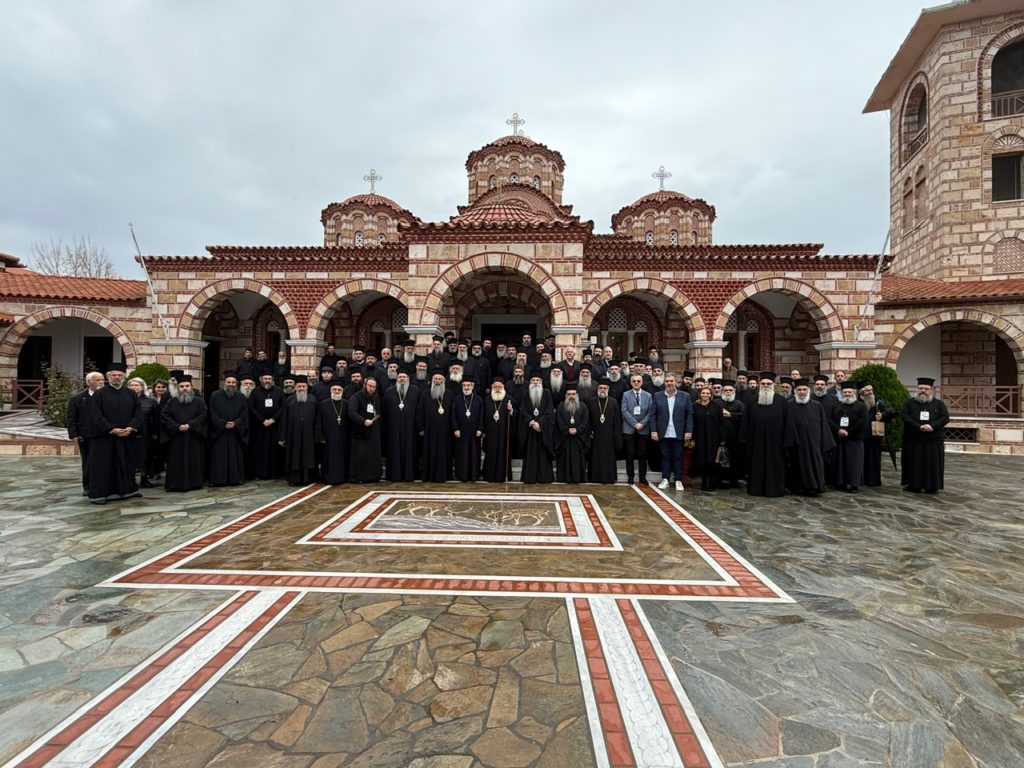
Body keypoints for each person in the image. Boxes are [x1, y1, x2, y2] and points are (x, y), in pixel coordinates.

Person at [83, 362, 143, 505]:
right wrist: (112, 429)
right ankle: (101, 494)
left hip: (126, 437)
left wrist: (131, 427)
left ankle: (129, 490)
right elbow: (95, 416)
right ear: (108, 377)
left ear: (124, 377)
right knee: (104, 466)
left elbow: (138, 413)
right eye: (114, 375)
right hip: (105, 438)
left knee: (126, 464)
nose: (117, 377)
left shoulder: (131, 394)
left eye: (120, 375)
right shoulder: (99, 394)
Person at [740, 372, 790, 498]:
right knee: (756, 465)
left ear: (773, 385)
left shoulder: (782, 402)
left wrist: (787, 441)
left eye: (768, 384)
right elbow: (746, 422)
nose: (766, 386)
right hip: (755, 441)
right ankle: (756, 489)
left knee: (775, 466)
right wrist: (744, 439)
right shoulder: (752, 401)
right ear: (759, 385)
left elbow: (788, 423)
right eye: (763, 384)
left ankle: (775, 490)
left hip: (776, 442)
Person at [786, 379, 834, 497]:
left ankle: (814, 487)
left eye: (804, 389)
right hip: (795, 443)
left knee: (814, 465)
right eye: (799, 390)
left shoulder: (817, 406)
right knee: (796, 465)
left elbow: (824, 426)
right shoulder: (789, 405)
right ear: (795, 391)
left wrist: (824, 443)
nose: (802, 392)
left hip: (813, 444)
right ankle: (797, 487)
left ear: (808, 390)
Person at [900, 377, 949, 493]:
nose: (923, 391)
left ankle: (932, 487)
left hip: (932, 440)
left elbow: (945, 418)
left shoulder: (939, 404)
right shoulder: (909, 403)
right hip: (914, 439)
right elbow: (904, 416)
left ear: (931, 390)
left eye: (926, 389)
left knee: (932, 464)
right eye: (920, 388)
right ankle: (913, 485)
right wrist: (918, 426)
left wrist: (932, 426)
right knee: (914, 463)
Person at [161, 375, 207, 492]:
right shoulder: (171, 402)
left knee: (194, 460)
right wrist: (177, 426)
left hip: (193, 437)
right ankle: (175, 484)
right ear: (178, 388)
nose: (185, 388)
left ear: (191, 387)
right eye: (182, 386)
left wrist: (190, 425)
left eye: (187, 386)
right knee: (176, 461)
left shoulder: (199, 402)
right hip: (177, 437)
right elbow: (165, 416)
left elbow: (203, 415)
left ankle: (195, 483)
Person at [652, 373, 693, 492]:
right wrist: (654, 430)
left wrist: (688, 431)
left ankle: (678, 479)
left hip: (679, 431)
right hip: (663, 431)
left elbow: (689, 414)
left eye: (671, 381)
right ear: (664, 383)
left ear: (676, 382)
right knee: (665, 456)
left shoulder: (685, 396)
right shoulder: (658, 396)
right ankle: (665, 479)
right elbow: (653, 414)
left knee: (678, 456)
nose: (669, 383)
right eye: (667, 381)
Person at [278, 375, 322, 486]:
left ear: (307, 387)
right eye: (299, 386)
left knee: (309, 456)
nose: (301, 388)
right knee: (294, 456)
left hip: (309, 435)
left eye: (303, 386)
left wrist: (317, 434)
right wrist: (283, 436)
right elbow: (284, 419)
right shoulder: (289, 400)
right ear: (295, 387)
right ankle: (294, 479)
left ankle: (308, 478)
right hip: (293, 435)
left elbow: (318, 418)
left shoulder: (313, 399)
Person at [207, 371, 248, 487]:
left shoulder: (241, 397)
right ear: (224, 382)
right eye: (228, 382)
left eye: (233, 382)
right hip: (220, 433)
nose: (231, 384)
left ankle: (236, 479)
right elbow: (212, 412)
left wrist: (236, 423)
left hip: (235, 432)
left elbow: (244, 414)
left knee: (235, 457)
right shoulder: (215, 395)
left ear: (237, 383)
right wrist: (222, 423)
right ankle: (217, 480)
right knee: (219, 457)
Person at [67, 371, 104, 495]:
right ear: (89, 382)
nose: (101, 382)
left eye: (102, 380)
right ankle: (88, 486)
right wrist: (74, 434)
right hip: (86, 435)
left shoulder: (107, 397)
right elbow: (71, 418)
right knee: (88, 462)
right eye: (97, 380)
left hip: (104, 434)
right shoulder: (77, 399)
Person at [829, 380, 868, 492]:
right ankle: (839, 483)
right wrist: (838, 430)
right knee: (839, 462)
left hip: (854, 439)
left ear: (854, 392)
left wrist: (849, 432)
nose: (847, 394)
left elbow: (862, 422)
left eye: (849, 392)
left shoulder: (861, 406)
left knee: (854, 463)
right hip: (839, 438)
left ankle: (853, 484)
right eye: (845, 392)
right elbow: (830, 420)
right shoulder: (836, 406)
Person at [383, 370, 421, 481]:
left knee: (410, 451)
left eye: (404, 377)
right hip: (393, 428)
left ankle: (410, 474)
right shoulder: (389, 391)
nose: (402, 379)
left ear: (408, 379)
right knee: (394, 450)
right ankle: (394, 475)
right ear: (397, 379)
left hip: (410, 428)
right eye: (400, 377)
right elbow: (385, 411)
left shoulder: (415, 391)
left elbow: (419, 410)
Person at [519, 374, 555, 483]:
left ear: (541, 382)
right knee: (531, 453)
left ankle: (543, 478)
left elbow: (549, 410)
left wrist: (540, 423)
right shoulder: (526, 393)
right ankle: (530, 477)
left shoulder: (547, 393)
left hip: (543, 430)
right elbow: (523, 411)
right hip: (530, 430)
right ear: (530, 382)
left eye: (537, 380)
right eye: (533, 380)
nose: (535, 382)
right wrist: (532, 422)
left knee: (543, 454)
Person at [248, 374, 285, 480]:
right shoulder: (255, 392)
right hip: (259, 427)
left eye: (269, 379)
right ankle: (260, 473)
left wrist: (273, 419)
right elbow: (251, 407)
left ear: (273, 380)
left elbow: (283, 406)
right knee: (260, 451)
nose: (267, 381)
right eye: (265, 379)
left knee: (274, 450)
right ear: (261, 379)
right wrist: (262, 420)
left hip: (275, 426)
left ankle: (275, 473)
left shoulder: (278, 391)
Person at [621, 373, 655, 485]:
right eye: (634, 381)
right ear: (631, 383)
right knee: (630, 454)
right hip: (629, 429)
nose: (636, 383)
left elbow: (650, 412)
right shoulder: (626, 395)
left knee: (642, 454)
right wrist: (635, 424)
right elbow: (624, 411)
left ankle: (642, 477)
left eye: (638, 381)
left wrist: (642, 423)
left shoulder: (648, 396)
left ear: (642, 382)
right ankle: (630, 477)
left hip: (643, 429)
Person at [347, 376, 383, 482]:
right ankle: (360, 477)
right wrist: (363, 421)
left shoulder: (376, 397)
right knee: (361, 455)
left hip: (374, 430)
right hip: (361, 431)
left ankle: (374, 476)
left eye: (374, 387)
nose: (371, 388)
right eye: (370, 386)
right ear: (365, 385)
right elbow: (352, 412)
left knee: (373, 454)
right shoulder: (356, 397)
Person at [587, 378, 623, 484]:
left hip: (609, 435)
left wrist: (617, 437)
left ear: (608, 389)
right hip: (596, 435)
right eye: (600, 388)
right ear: (597, 389)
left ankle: (609, 477)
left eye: (604, 388)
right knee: (595, 457)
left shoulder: (613, 402)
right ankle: (595, 477)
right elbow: (588, 420)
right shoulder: (592, 401)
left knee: (608, 457)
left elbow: (617, 421)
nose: (602, 390)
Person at [861, 382, 896, 487]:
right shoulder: (858, 402)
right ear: (861, 392)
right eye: (867, 390)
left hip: (874, 436)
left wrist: (882, 415)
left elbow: (891, 412)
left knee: (874, 459)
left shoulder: (878, 403)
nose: (870, 392)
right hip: (860, 436)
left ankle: (873, 480)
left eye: (871, 390)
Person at [420, 372, 454, 482]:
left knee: (444, 453)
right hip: (429, 430)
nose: (437, 381)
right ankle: (429, 475)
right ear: (432, 380)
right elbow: (419, 412)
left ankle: (445, 475)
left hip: (446, 431)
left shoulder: (449, 394)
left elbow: (453, 413)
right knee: (430, 452)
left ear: (443, 381)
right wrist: (421, 428)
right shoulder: (425, 394)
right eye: (435, 379)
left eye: (440, 379)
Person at [688, 386, 722, 492]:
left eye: (708, 393)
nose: (705, 395)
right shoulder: (695, 406)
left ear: (711, 395)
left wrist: (722, 438)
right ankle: (703, 482)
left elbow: (721, 422)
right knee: (701, 460)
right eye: (703, 393)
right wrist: (692, 437)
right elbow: (691, 423)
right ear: (700, 394)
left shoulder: (716, 406)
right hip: (700, 437)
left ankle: (711, 482)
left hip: (714, 438)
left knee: (711, 461)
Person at [555, 384, 590, 483]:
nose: (571, 396)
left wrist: (577, 430)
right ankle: (564, 478)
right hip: (565, 439)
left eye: (573, 394)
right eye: (569, 394)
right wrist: (566, 430)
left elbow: (586, 421)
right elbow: (559, 421)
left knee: (578, 460)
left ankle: (578, 478)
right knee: (564, 459)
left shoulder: (583, 406)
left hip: (579, 439)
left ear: (577, 395)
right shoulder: (561, 406)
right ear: (566, 395)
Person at [452, 378, 484, 482]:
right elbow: (453, 416)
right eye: (464, 385)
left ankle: (474, 475)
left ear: (472, 386)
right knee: (462, 454)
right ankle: (462, 475)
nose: (466, 387)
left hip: (475, 432)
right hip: (461, 432)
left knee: (474, 454)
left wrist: (480, 428)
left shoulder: (479, 399)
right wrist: (456, 428)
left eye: (468, 385)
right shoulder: (457, 399)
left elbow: (482, 416)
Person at [127, 377, 157, 488]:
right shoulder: (125, 400)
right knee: (130, 457)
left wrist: (155, 432)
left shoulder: (151, 401)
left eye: (137, 385)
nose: (134, 387)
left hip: (146, 433)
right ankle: (130, 480)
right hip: (128, 433)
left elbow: (156, 418)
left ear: (142, 386)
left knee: (145, 457)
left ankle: (144, 479)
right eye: (131, 385)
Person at [317, 382, 348, 484]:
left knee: (342, 458)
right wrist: (320, 436)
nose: (336, 391)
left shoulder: (346, 404)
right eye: (334, 389)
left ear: (342, 391)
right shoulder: (324, 404)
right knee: (327, 458)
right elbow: (319, 421)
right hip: (328, 437)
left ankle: (342, 477)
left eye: (339, 390)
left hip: (343, 436)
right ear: (330, 391)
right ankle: (327, 477)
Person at [718, 380, 745, 487]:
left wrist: (731, 415)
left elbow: (744, 416)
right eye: (726, 390)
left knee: (734, 458)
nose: (728, 392)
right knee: (719, 458)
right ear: (722, 391)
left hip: (735, 436)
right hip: (720, 435)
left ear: (734, 391)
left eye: (730, 390)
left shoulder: (739, 404)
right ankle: (719, 479)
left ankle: (733, 480)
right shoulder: (716, 403)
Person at [148, 379, 170, 480]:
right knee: (153, 451)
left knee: (164, 450)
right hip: (153, 428)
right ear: (154, 388)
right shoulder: (150, 398)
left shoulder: (170, 398)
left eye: (163, 387)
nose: (160, 389)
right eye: (158, 387)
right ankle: (154, 471)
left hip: (166, 427)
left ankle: (162, 470)